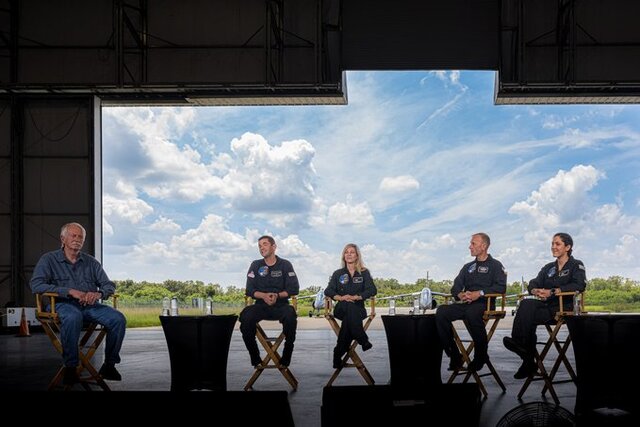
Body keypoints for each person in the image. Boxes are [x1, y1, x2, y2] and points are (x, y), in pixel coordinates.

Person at [30, 222, 126, 385]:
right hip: (61, 305)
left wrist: (99, 293)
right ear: (63, 238)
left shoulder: (91, 262)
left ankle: (109, 365)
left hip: (90, 307)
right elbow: (36, 285)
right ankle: (71, 366)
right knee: (73, 316)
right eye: (73, 235)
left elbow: (108, 285)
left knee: (118, 318)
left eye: (80, 236)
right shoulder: (49, 259)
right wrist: (69, 291)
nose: (77, 239)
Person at [503, 232, 586, 379]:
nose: (553, 247)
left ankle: (526, 357)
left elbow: (579, 285)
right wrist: (535, 290)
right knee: (526, 304)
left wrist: (553, 292)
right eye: (552, 244)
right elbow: (533, 282)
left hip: (564, 308)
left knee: (529, 315)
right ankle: (524, 352)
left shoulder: (576, 265)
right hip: (547, 307)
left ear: (568, 247)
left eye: (557, 244)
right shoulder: (549, 268)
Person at [436, 233, 507, 372]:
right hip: (466, 303)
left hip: (483, 303)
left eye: (473, 243)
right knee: (442, 312)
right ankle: (455, 355)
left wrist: (479, 293)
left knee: (472, 312)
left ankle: (480, 356)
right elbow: (455, 286)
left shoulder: (496, 265)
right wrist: (460, 294)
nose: (470, 246)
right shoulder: (468, 266)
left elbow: (501, 287)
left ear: (484, 246)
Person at [240, 235, 300, 368]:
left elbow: (294, 289)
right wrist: (263, 296)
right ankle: (255, 358)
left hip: (281, 305)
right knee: (245, 317)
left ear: (274, 247)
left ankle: (286, 357)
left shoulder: (285, 264)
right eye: (259, 246)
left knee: (291, 317)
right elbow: (249, 290)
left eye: (265, 244)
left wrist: (277, 295)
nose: (261, 248)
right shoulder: (255, 265)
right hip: (261, 305)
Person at [325, 243, 377, 369]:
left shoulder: (364, 273)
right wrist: (341, 297)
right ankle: (362, 339)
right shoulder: (338, 273)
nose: (348, 254)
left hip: (358, 308)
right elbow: (328, 291)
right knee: (348, 307)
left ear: (357, 255)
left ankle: (337, 353)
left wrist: (357, 297)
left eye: (352, 252)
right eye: (346, 252)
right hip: (341, 308)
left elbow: (372, 290)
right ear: (343, 256)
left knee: (349, 322)